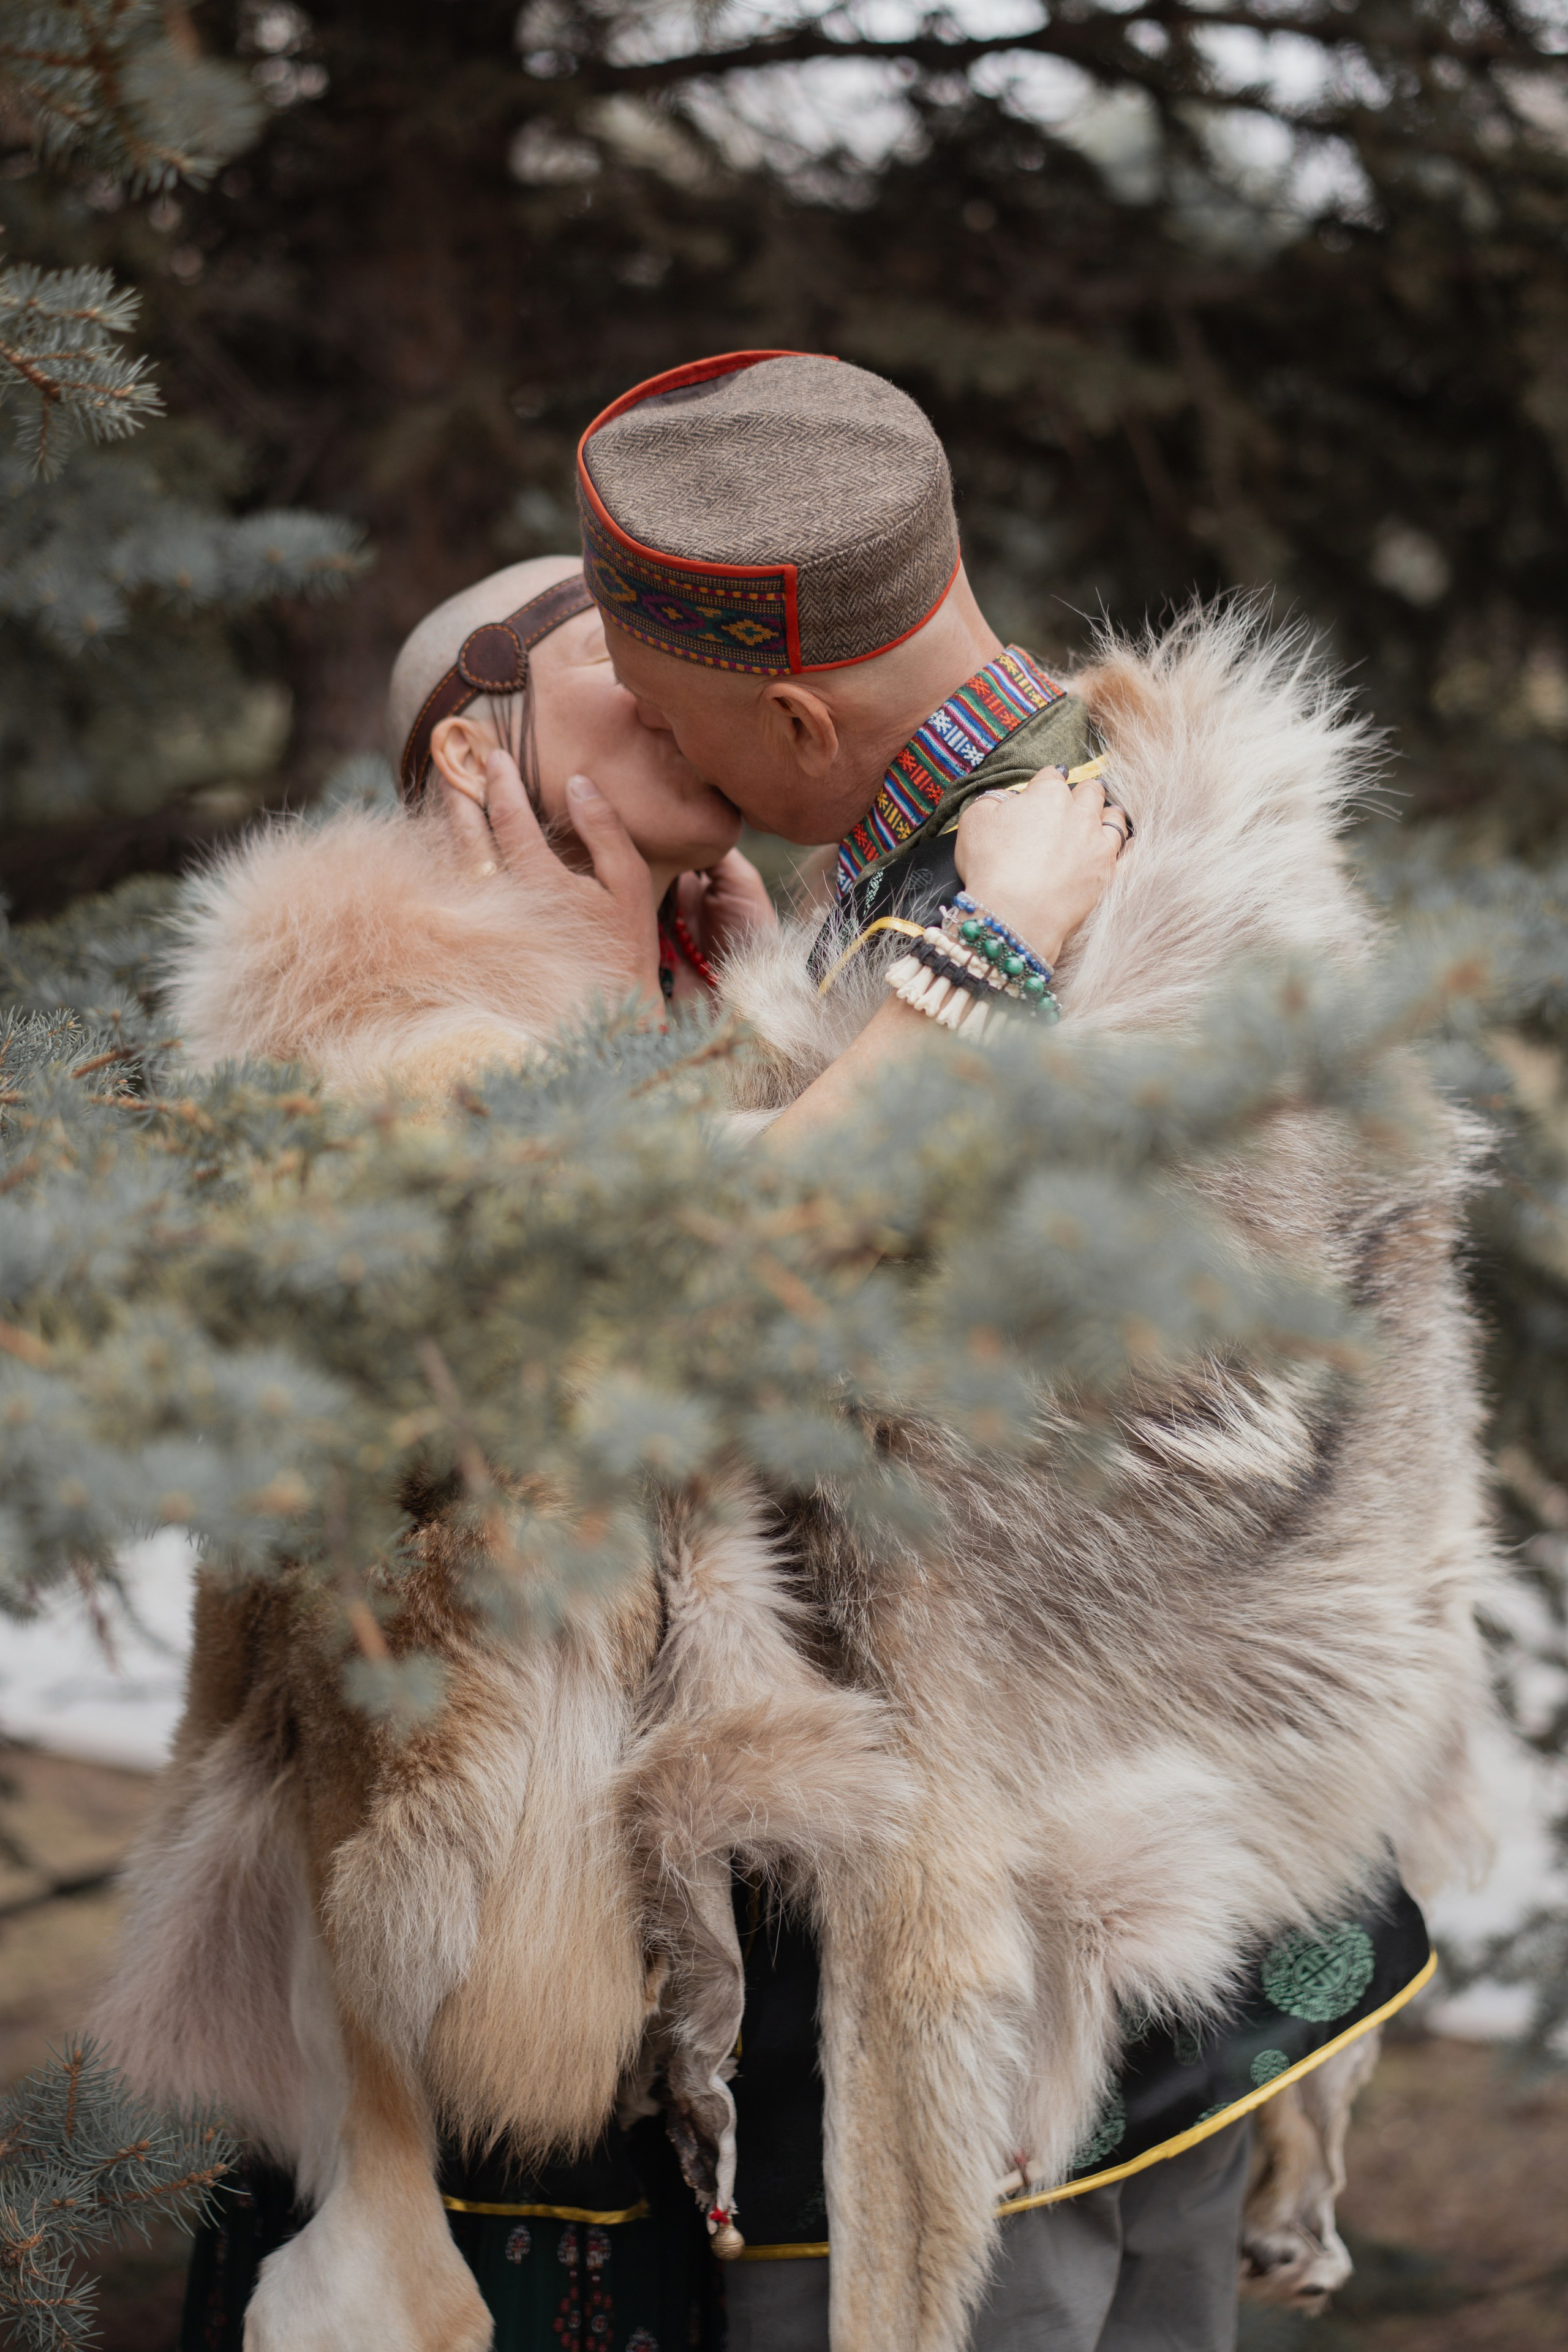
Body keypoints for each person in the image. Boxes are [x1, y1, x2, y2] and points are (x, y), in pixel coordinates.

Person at [154, 352, 1485, 2352]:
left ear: (789, 708)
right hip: (1130, 1940)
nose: (672, 755)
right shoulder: (998, 856)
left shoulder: (1035, 915)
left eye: (672, 702)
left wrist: (905, 993)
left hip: (1037, 1993)